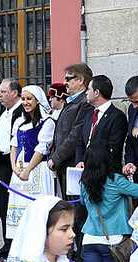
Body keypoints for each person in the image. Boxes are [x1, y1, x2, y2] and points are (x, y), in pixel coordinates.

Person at [6, 85, 56, 239]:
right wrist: (14, 167)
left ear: (37, 100)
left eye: (29, 99)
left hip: (37, 172)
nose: (26, 102)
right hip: (19, 172)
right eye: (23, 99)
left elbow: (42, 149)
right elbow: (13, 145)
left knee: (37, 210)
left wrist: (28, 170)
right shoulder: (20, 122)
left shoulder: (47, 122)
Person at [49, 63, 93, 198]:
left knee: (76, 211)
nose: (64, 83)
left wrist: (56, 158)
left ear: (80, 80)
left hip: (74, 166)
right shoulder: (71, 102)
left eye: (68, 79)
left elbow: (75, 136)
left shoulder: (84, 104)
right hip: (64, 166)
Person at [0, 78, 22, 240]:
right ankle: (5, 242)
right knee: (1, 206)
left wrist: (3, 149)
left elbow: (18, 141)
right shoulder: (3, 112)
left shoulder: (21, 112)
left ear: (15, 93)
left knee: (10, 206)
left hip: (10, 166)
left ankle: (11, 243)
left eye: (3, 92)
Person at [74, 74, 127, 172]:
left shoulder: (117, 117)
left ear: (97, 92)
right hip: (86, 173)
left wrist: (88, 162)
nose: (86, 93)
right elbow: (81, 142)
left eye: (89, 89)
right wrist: (80, 161)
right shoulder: (89, 115)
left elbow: (112, 148)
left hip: (106, 173)